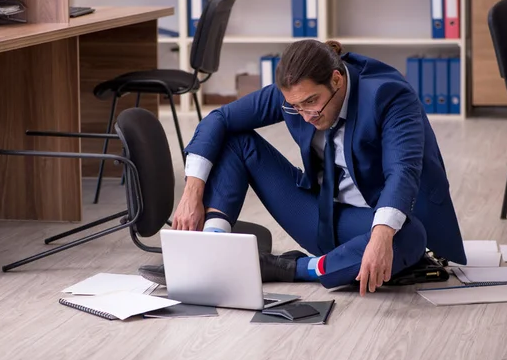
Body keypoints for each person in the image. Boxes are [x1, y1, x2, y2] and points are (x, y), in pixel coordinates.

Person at [139, 40, 467, 296]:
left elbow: (403, 171)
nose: (306, 115)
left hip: (370, 224)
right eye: (295, 106)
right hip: (317, 214)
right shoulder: (296, 93)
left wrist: (381, 238)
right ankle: (212, 250)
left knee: (408, 234)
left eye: (311, 102)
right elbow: (218, 119)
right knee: (234, 136)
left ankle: (291, 268)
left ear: (337, 80)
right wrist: (191, 192)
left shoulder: (390, 96)